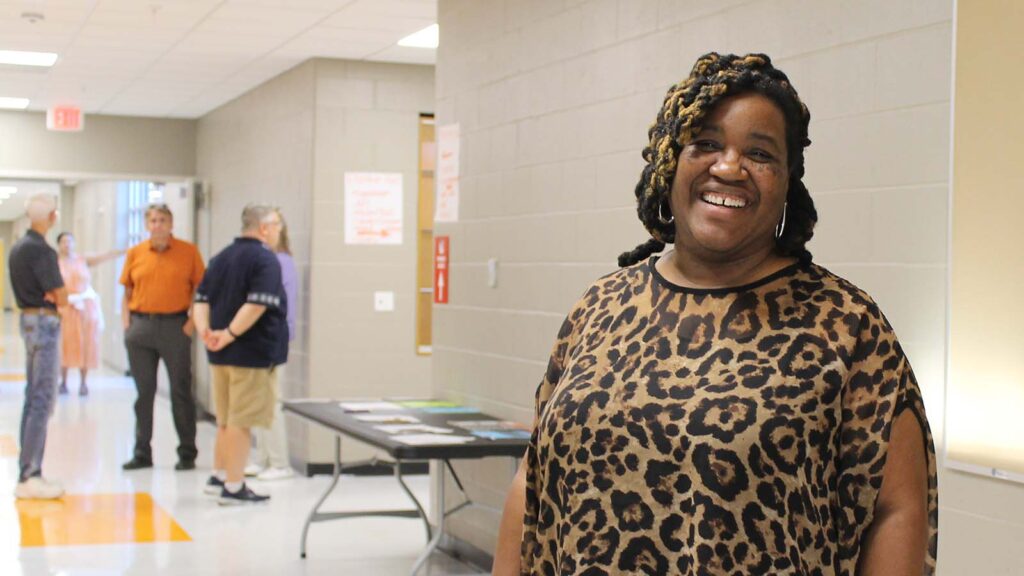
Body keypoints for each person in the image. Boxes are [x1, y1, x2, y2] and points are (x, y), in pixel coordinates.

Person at [494, 53, 938, 575]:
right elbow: (535, 480)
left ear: (787, 180)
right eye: (705, 144)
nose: (729, 167)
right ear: (669, 161)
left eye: (760, 153)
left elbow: (896, 510)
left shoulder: (845, 325)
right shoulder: (601, 307)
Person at [192, 204, 287, 505]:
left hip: (220, 354)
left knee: (225, 418)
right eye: (276, 226)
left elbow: (200, 300)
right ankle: (234, 486)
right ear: (263, 228)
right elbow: (257, 305)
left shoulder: (220, 258)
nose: (277, 232)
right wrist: (231, 333)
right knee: (241, 421)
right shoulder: (265, 259)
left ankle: (218, 475)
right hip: (250, 353)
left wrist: (206, 331)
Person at [119, 204, 205, 471]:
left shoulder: (188, 252)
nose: (158, 225)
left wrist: (191, 324)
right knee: (144, 394)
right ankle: (142, 452)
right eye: (153, 220)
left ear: (171, 224)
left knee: (180, 392)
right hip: (141, 328)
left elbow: (201, 291)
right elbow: (127, 291)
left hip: (174, 327)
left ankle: (187, 453)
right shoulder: (135, 253)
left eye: (163, 220)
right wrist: (127, 325)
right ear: (147, 225)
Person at [9, 194, 68, 499]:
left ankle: (28, 469)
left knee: (33, 396)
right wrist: (61, 296)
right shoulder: (42, 251)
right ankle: (31, 473)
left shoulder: (18, 248)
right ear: (51, 217)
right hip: (44, 324)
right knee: (42, 398)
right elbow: (61, 295)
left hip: (29, 323)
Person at [245, 212, 297, 481]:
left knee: (273, 401)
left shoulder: (283, 262)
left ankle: (280, 463)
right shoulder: (262, 260)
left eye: (274, 224)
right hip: (258, 338)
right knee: (259, 401)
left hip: (273, 338)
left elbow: (282, 305)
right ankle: (261, 458)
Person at [56, 232, 123, 397]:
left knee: (85, 344)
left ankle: (83, 382)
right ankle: (63, 381)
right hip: (66, 308)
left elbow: (104, 256)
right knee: (65, 344)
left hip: (85, 308)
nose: (67, 245)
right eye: (64, 242)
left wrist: (122, 251)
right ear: (59, 245)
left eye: (70, 241)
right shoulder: (55, 263)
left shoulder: (82, 260)